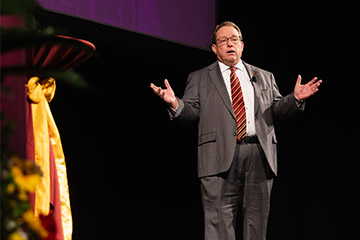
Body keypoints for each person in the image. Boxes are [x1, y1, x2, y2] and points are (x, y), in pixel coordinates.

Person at [150, 21, 322, 240]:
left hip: (260, 155)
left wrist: (294, 99)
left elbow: (276, 110)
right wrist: (175, 103)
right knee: (219, 226)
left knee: (256, 226)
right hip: (218, 157)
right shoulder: (200, 77)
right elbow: (190, 113)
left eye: (234, 39)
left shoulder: (264, 76)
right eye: (223, 40)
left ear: (242, 45)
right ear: (214, 48)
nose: (229, 44)